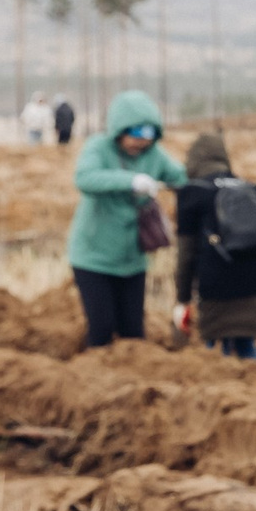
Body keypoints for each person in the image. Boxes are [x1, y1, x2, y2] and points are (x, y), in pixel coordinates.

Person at [67, 91, 185, 350]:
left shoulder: (154, 155)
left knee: (133, 332)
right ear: (118, 130)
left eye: (147, 135)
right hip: (94, 258)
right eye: (134, 134)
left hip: (132, 261)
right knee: (101, 329)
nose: (140, 143)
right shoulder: (98, 148)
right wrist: (130, 181)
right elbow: (85, 178)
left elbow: (181, 177)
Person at [171, 131, 256, 359]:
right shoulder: (250, 188)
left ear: (193, 161)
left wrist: (182, 299)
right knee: (247, 345)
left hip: (218, 286)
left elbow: (185, 254)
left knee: (214, 353)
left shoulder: (192, 193)